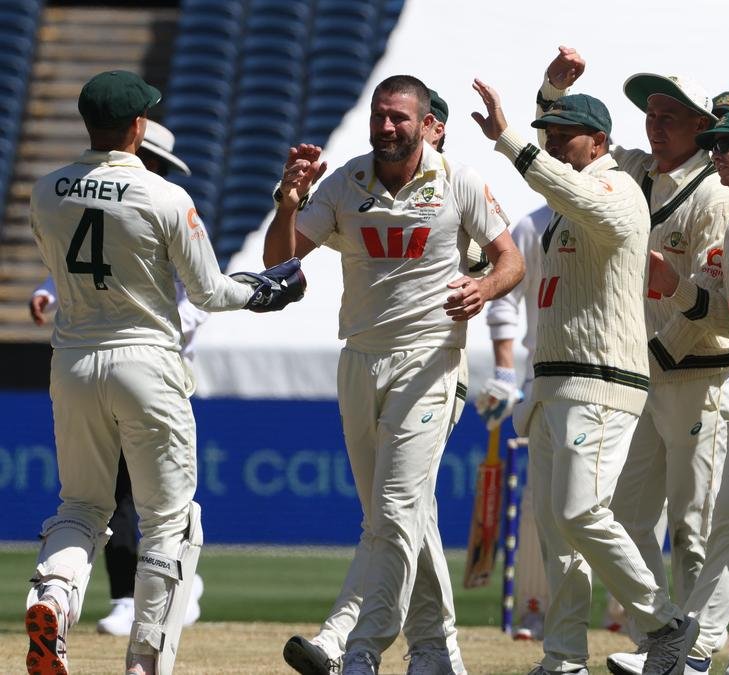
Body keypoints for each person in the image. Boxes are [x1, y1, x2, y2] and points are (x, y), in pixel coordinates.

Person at [25, 69, 304, 675]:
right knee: (170, 522)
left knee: (80, 507)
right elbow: (207, 294)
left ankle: (52, 599)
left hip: (72, 361)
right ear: (136, 127)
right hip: (147, 362)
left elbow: (63, 270)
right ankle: (144, 662)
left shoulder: (45, 190)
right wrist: (267, 291)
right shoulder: (166, 196)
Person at [266, 75, 522, 675]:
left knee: (396, 506)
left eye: (399, 118)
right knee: (397, 515)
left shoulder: (456, 180)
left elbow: (510, 258)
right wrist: (286, 203)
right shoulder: (346, 181)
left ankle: (351, 646)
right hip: (359, 359)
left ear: (425, 121)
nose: (387, 127)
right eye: (380, 116)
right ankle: (435, 653)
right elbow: (279, 264)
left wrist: (482, 288)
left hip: (430, 360)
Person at [473, 77, 699, 675]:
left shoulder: (619, 190)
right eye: (547, 136)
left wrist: (510, 141)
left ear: (598, 142)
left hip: (600, 381)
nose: (551, 145)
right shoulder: (560, 211)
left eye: (563, 137)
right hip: (552, 384)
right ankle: (564, 656)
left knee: (580, 513)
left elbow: (579, 195)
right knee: (556, 532)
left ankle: (665, 622)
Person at [539, 47, 729, 654]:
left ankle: (701, 649)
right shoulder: (630, 171)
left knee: (694, 526)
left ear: (702, 127)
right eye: (650, 113)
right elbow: (564, 149)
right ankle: (662, 642)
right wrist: (553, 90)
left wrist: (653, 347)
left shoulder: (715, 198)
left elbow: (713, 303)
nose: (655, 125)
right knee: (624, 518)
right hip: (633, 378)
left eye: (671, 115)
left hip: (695, 379)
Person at [608, 108, 729, 675]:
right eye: (713, 142)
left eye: (728, 142)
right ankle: (684, 649)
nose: (716, 151)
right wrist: (677, 289)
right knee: (728, 530)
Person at [28, 118, 207, 640]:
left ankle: (113, 598)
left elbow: (193, 299)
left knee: (101, 501)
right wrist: (51, 289)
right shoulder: (152, 202)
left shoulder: (155, 204)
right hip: (145, 372)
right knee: (139, 501)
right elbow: (84, 263)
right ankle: (139, 618)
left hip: (115, 366)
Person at [476, 201, 555, 642]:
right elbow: (504, 299)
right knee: (538, 502)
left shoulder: (622, 205)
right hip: (541, 375)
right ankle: (534, 607)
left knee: (636, 503)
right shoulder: (531, 226)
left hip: (619, 375)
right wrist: (505, 370)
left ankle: (630, 615)